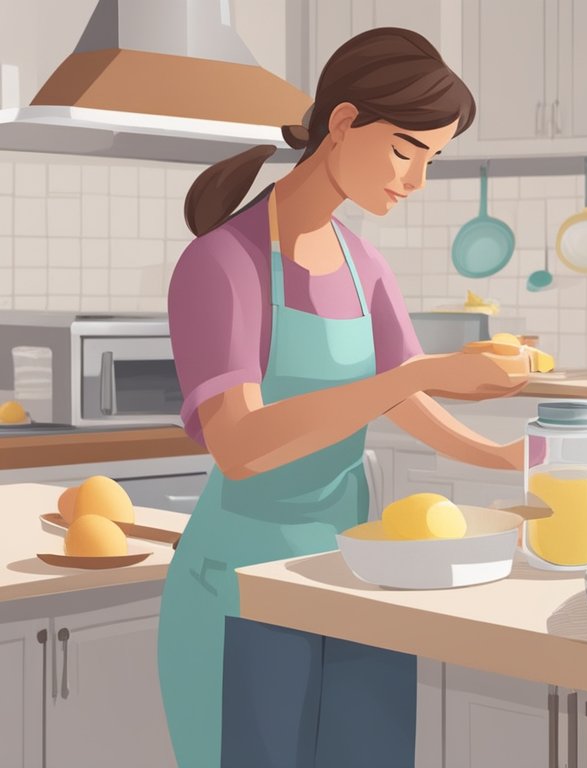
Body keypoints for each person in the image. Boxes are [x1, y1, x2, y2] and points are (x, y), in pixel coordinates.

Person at [157, 27, 521, 767]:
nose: (416, 180)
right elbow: (242, 446)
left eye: (432, 158)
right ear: (345, 122)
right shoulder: (222, 264)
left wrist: (506, 457)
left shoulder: (365, 262)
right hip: (244, 593)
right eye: (404, 150)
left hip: (359, 579)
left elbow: (402, 397)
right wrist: (414, 376)